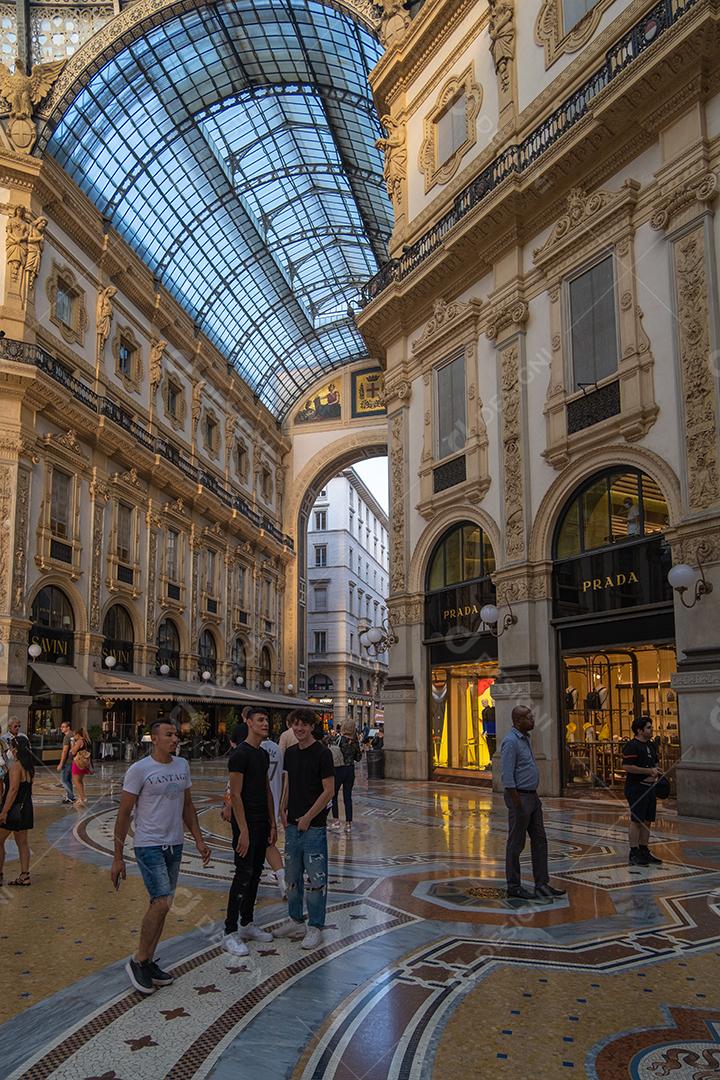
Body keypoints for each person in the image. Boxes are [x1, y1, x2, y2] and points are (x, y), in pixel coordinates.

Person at [111, 720, 211, 994]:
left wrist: (199, 839)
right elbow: (123, 813)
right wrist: (118, 857)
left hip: (174, 844)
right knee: (162, 901)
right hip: (149, 844)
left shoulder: (182, 766)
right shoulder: (139, 770)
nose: (175, 739)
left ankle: (148, 961)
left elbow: (187, 805)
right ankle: (138, 960)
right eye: (169, 735)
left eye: (176, 734)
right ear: (154, 739)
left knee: (163, 903)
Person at [275, 708, 335, 950]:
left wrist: (309, 817)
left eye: (303, 725)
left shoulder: (323, 753)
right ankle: (295, 920)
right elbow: (288, 782)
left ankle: (315, 926)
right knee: (292, 876)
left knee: (315, 878)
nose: (299, 729)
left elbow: (329, 790)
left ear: (312, 726)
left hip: (314, 826)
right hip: (292, 824)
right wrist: (282, 807)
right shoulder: (290, 753)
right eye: (295, 724)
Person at [222, 709, 277, 956]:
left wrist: (272, 823)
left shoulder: (262, 754)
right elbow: (235, 794)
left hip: (261, 821)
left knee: (255, 873)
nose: (265, 724)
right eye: (260, 720)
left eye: (266, 720)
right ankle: (229, 931)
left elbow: (266, 789)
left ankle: (247, 923)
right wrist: (243, 830)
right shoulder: (239, 755)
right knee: (243, 874)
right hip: (245, 822)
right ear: (249, 723)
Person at [501, 705, 566, 902]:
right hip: (520, 797)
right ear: (518, 721)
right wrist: (517, 802)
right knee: (516, 842)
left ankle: (541, 884)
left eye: (532, 716)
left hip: (532, 797)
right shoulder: (511, 742)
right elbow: (507, 776)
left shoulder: (525, 739)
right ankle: (514, 885)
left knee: (540, 840)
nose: (532, 719)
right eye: (528, 717)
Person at [623, 715, 663, 866]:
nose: (652, 730)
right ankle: (634, 852)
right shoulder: (632, 746)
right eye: (648, 727)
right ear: (639, 730)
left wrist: (656, 771)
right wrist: (647, 771)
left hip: (650, 787)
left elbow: (654, 763)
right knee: (637, 820)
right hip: (636, 788)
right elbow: (627, 766)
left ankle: (644, 849)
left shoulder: (651, 745)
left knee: (647, 820)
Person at [0, 735, 35, 886]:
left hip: (14, 809)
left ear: (16, 749)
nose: (10, 750)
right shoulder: (29, 767)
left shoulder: (16, 766)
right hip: (26, 807)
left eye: (12, 748)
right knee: (23, 843)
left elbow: (13, 790)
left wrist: (4, 811)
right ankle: (24, 876)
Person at [261, 723, 286, 898]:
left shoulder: (252, 750)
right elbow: (284, 777)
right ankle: (282, 879)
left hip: (257, 804)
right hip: (275, 801)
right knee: (269, 843)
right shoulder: (277, 749)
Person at [329, 720, 361, 834]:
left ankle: (336, 820)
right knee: (348, 797)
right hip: (350, 770)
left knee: (334, 795)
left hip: (338, 769)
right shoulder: (355, 741)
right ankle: (348, 824)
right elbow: (358, 758)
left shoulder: (339, 739)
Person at [71, 727, 92, 807]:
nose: (74, 736)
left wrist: (73, 742)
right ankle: (81, 797)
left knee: (76, 781)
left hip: (78, 762)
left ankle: (83, 798)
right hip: (84, 762)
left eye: (75, 735)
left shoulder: (80, 741)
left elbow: (73, 752)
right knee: (80, 781)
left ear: (78, 735)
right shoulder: (87, 741)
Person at [56, 720, 75, 805]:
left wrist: (61, 763)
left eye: (63, 727)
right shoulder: (73, 735)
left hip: (68, 761)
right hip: (73, 761)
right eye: (61, 727)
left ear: (68, 727)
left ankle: (70, 797)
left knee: (64, 780)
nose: (61, 728)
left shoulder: (67, 737)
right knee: (68, 780)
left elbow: (65, 751)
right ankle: (70, 797)